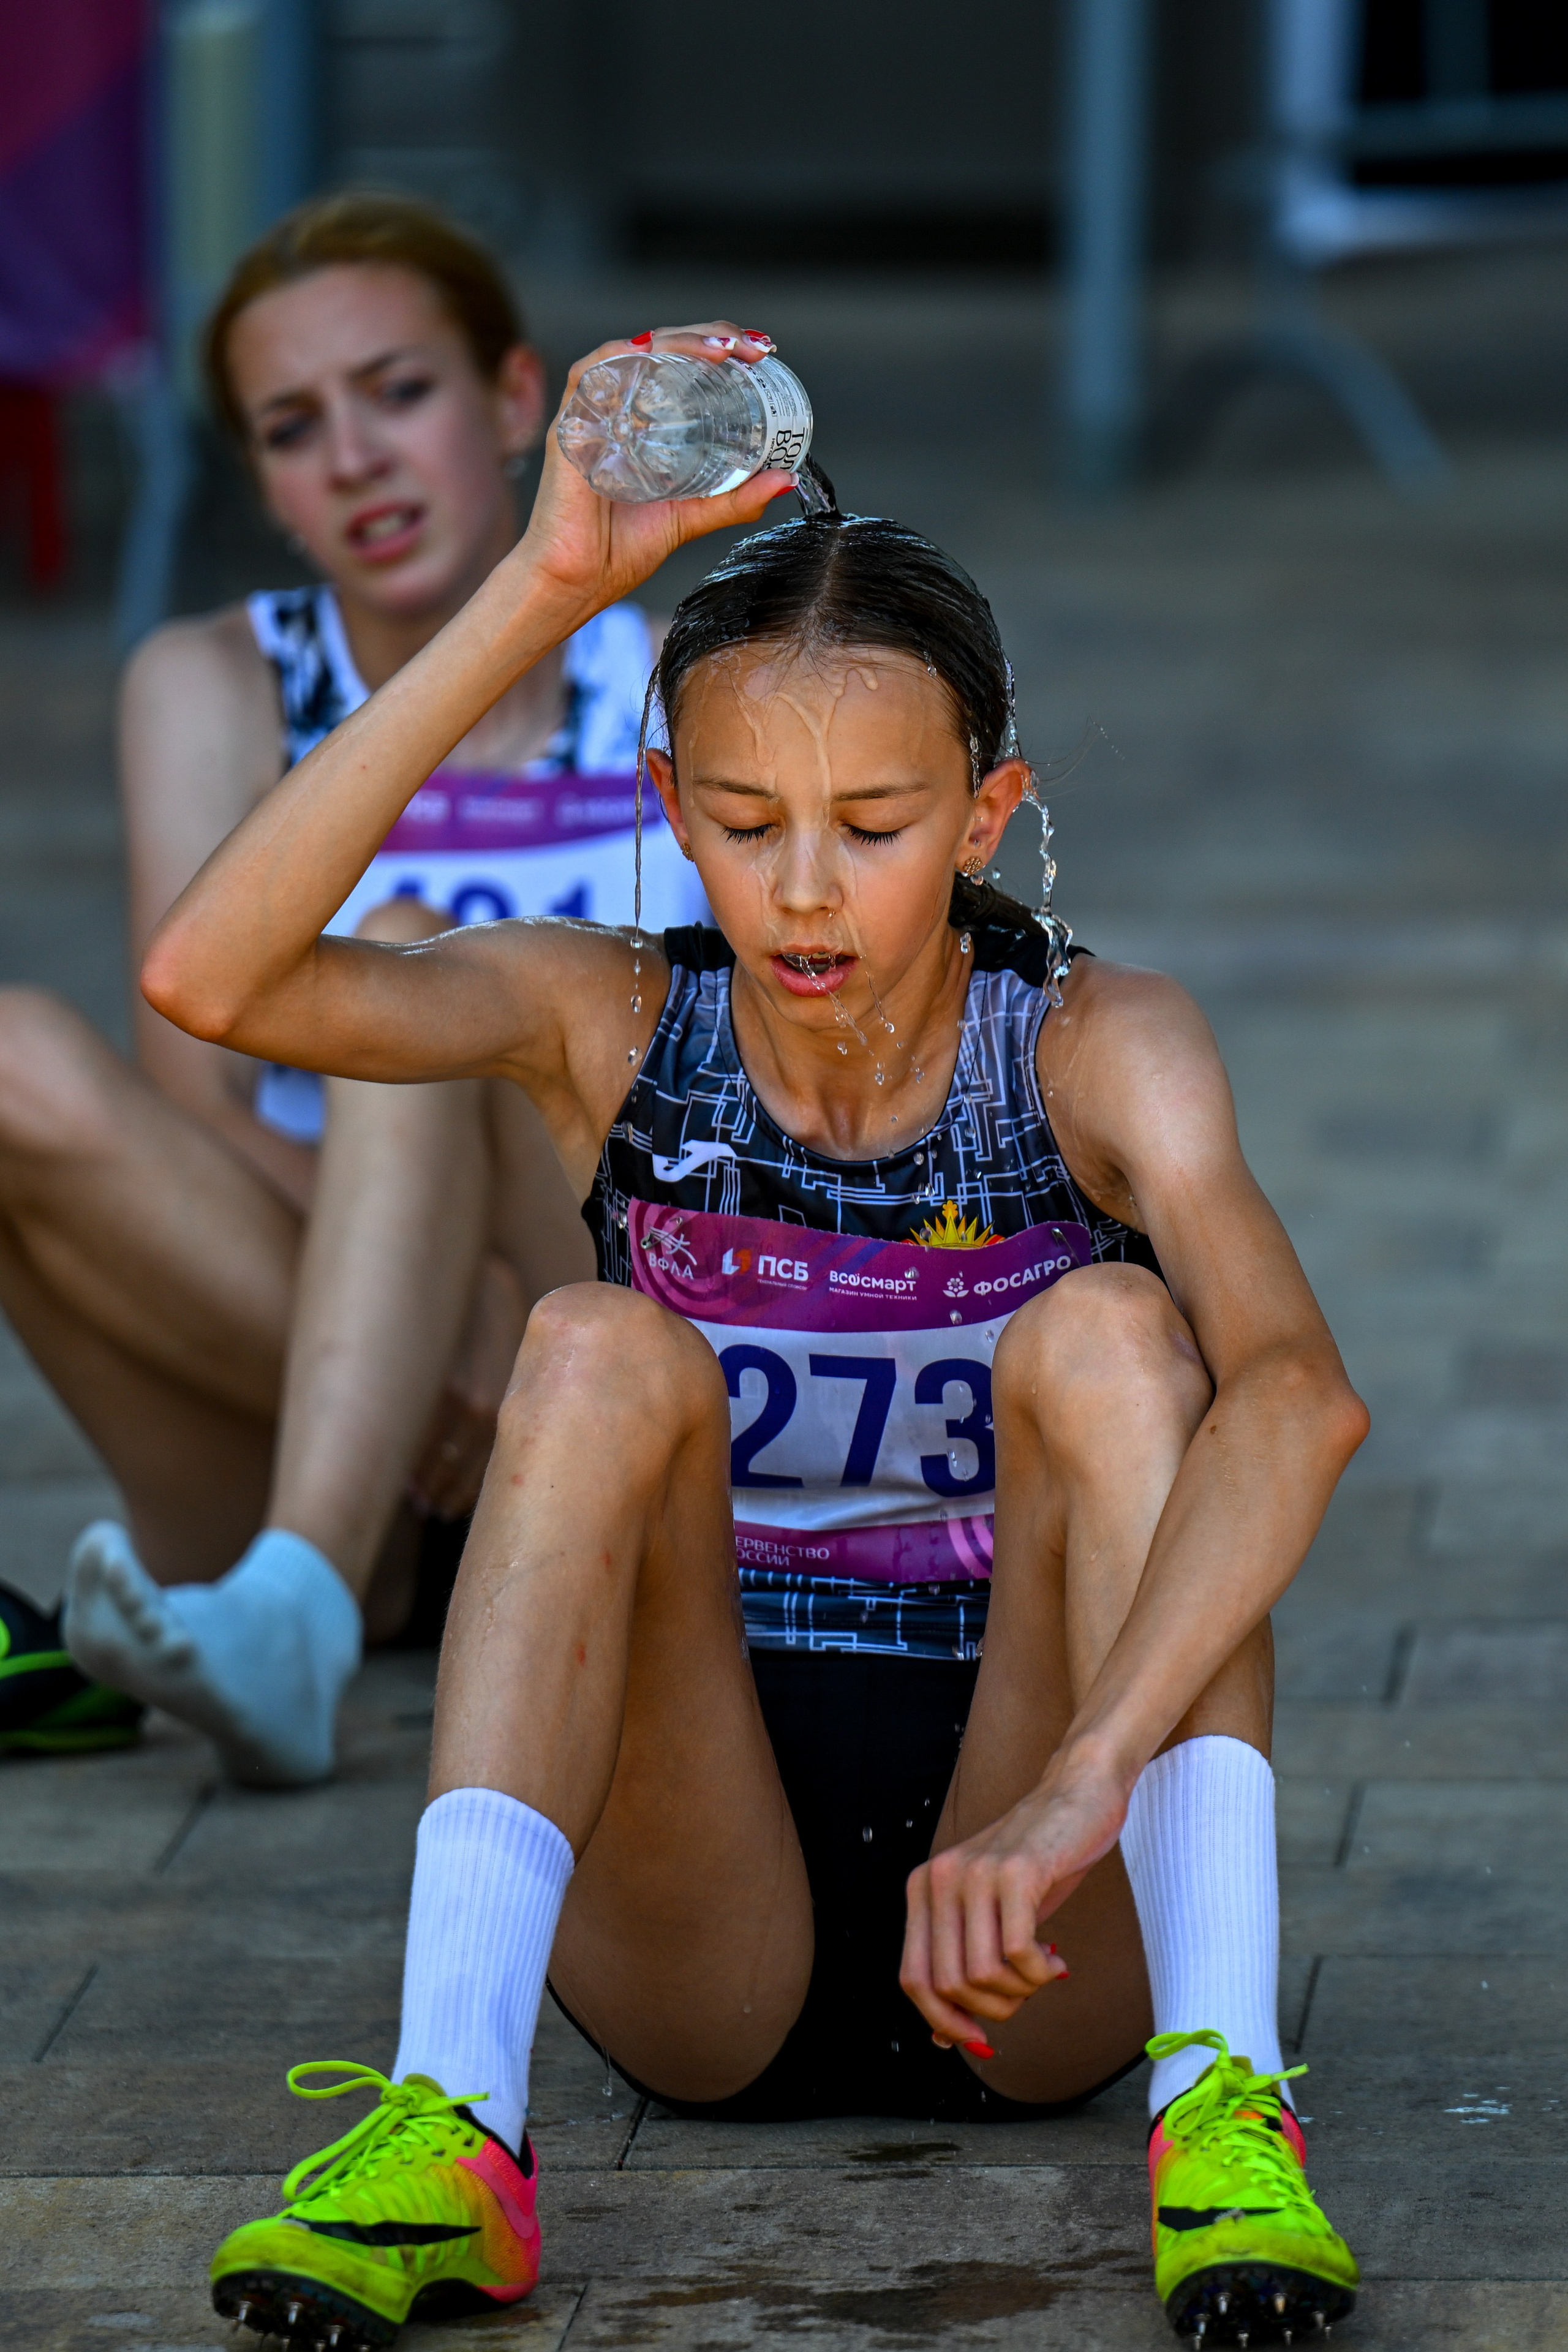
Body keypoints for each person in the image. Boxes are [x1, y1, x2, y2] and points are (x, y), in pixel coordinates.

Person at [143, 321, 1368, 2348]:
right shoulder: (608, 1012)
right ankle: (454, 2125)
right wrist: (541, 590)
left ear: (987, 815)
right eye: (742, 819)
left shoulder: (1095, 1045)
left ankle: (1225, 2101)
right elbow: (212, 972)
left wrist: (1081, 1789)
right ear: (668, 810)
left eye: (876, 826)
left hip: (1039, 1881)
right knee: (593, 1346)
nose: (807, 891)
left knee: (1118, 1340)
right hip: (691, 1911)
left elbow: (1303, 1402)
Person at [0, 193, 703, 1782]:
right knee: (14, 1059)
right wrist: (426, 1300)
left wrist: (483, 1296)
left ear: (516, 402)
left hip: (595, 1333)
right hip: (346, 1357)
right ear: (260, 479)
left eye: (400, 391)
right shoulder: (211, 681)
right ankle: (303, 1584)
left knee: (410, 960)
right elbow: (201, 1094)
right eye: (293, 427)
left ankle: (300, 1586)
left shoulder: (663, 675)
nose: (358, 458)